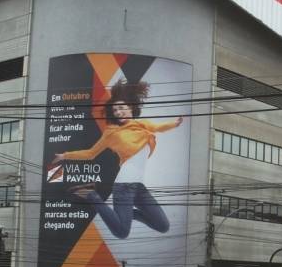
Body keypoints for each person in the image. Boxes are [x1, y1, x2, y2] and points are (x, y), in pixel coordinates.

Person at [50, 80, 184, 239]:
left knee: (163, 226)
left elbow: (158, 127)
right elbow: (90, 153)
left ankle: (125, 214)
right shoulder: (112, 132)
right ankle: (92, 195)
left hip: (139, 188)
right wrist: (65, 155)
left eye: (121, 108)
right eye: (115, 110)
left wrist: (175, 124)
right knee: (121, 232)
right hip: (123, 187)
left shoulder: (142, 125)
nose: (118, 112)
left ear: (130, 107)